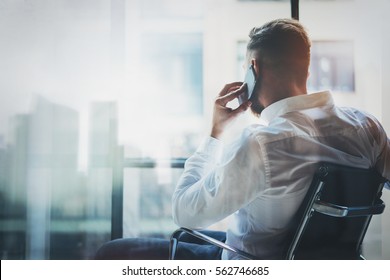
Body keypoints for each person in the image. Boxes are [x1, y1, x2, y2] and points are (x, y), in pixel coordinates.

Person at [95, 18, 390, 260]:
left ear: (253, 69)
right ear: (306, 69)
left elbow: (185, 211)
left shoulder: (264, 144)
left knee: (115, 252)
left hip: (250, 265)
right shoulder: (367, 127)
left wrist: (215, 133)